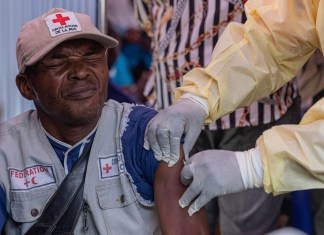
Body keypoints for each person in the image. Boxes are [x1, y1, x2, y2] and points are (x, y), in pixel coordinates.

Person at [0, 8, 209, 234]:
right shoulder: (6, 153)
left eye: (91, 56)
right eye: (58, 62)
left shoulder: (145, 133)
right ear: (27, 86)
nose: (80, 72)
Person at [140, 0, 324, 217]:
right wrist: (202, 96)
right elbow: (277, 34)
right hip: (184, 100)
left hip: (257, 118)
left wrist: (252, 167)